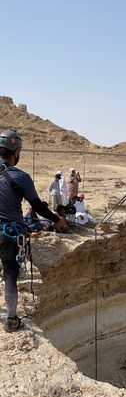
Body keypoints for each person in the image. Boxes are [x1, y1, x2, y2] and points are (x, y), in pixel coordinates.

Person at [0, 129, 65, 331]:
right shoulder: (20, 177)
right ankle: (11, 319)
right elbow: (37, 206)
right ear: (16, 152)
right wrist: (58, 220)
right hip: (9, 233)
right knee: (10, 275)